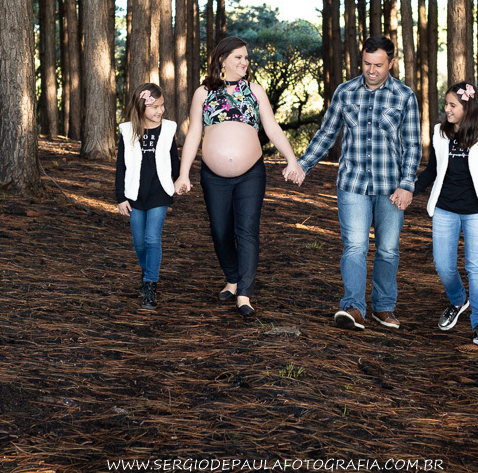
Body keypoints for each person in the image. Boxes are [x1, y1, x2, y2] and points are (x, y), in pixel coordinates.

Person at [175, 36, 305, 318]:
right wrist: (183, 173)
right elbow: (195, 133)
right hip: (213, 176)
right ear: (222, 60)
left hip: (251, 174)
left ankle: (244, 293)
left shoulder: (254, 90)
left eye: (246, 58)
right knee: (220, 231)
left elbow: (271, 127)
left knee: (246, 231)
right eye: (238, 57)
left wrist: (292, 159)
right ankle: (232, 278)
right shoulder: (204, 92)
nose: (245, 62)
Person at [298, 36, 422, 331]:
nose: (372, 70)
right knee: (354, 246)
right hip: (352, 183)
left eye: (378, 65)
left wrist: (407, 184)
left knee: (388, 250)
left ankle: (383, 307)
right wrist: (304, 165)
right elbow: (327, 134)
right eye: (367, 63)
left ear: (391, 63)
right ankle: (353, 307)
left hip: (391, 186)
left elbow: (413, 146)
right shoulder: (345, 92)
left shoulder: (404, 96)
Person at [413, 82, 478, 346]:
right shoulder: (439, 134)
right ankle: (457, 300)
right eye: (446, 104)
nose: (447, 110)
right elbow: (431, 171)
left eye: (453, 105)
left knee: (477, 269)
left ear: (467, 107)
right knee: (443, 265)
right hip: (445, 209)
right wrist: (411, 190)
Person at [114, 83, 179, 312]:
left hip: (159, 192)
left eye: (162, 106)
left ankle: (151, 284)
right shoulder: (128, 130)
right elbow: (121, 166)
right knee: (139, 241)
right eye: (154, 107)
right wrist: (121, 197)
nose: (159, 111)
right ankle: (146, 269)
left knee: (152, 239)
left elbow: (174, 160)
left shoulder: (169, 129)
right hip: (135, 194)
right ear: (141, 107)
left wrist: (179, 180)